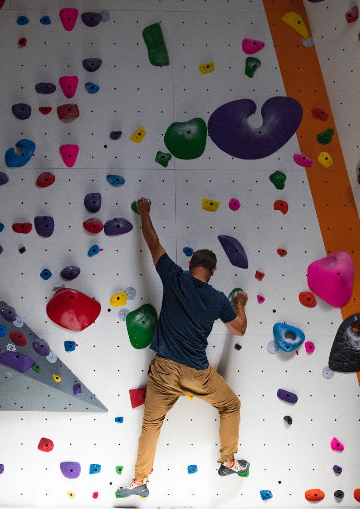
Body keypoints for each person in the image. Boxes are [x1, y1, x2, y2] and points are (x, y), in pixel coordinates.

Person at [116, 197, 250, 499]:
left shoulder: (175, 277)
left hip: (163, 369)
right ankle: (228, 461)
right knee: (231, 406)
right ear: (212, 271)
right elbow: (239, 329)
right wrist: (239, 303)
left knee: (151, 424)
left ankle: (139, 480)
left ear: (190, 265)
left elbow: (153, 243)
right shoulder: (217, 298)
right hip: (197, 373)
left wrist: (146, 212)